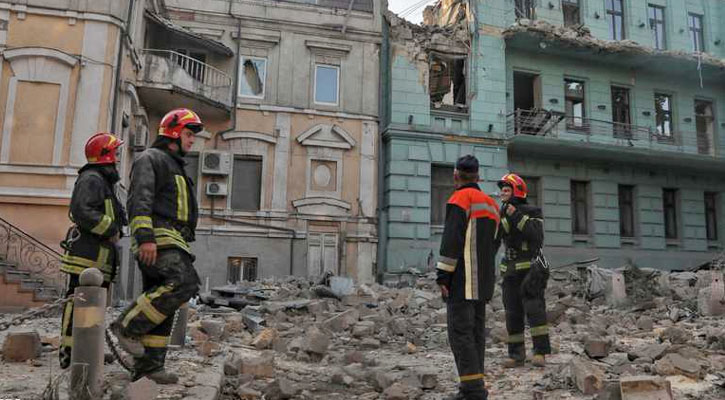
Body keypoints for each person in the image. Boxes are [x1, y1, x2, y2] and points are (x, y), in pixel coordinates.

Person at [110, 108, 202, 383]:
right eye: (188, 134)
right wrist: (145, 238)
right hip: (159, 237)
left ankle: (149, 367)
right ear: (173, 134)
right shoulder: (151, 159)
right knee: (184, 284)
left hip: (173, 239)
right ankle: (127, 326)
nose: (192, 140)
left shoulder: (173, 165)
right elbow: (140, 201)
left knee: (162, 304)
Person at [59, 133, 127, 369]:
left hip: (98, 256)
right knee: (78, 303)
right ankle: (69, 352)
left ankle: (89, 350)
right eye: (116, 153)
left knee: (93, 306)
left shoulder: (103, 181)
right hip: (86, 256)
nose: (118, 158)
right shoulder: (92, 179)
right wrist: (109, 228)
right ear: (106, 155)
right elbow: (82, 211)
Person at [436, 155, 500, 400]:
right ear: (478, 177)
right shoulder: (492, 205)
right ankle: (472, 387)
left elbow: (452, 240)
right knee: (475, 335)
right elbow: (494, 244)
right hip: (483, 281)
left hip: (462, 280)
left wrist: (443, 276)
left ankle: (473, 392)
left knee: (460, 334)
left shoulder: (460, 199)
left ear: (456, 176)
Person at [495, 173, 550, 368]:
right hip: (509, 271)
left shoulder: (533, 211)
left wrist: (515, 215)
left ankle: (540, 352)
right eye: (502, 189)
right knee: (512, 313)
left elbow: (536, 236)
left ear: (517, 191)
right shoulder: (502, 212)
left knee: (535, 311)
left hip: (530, 270)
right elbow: (496, 239)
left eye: (507, 189)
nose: (502, 192)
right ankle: (516, 355)